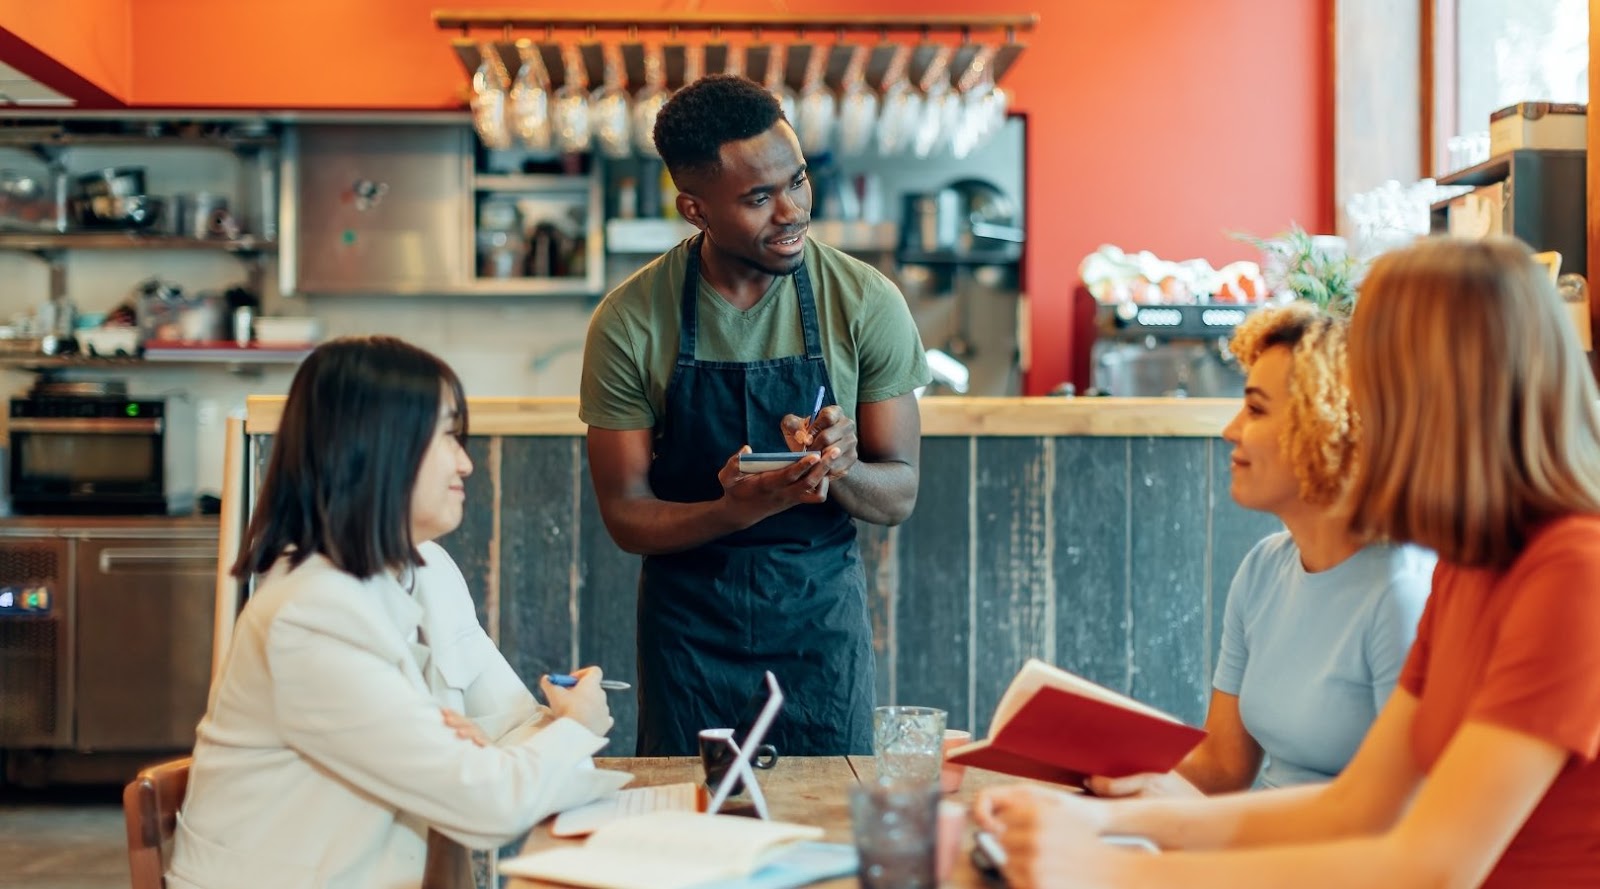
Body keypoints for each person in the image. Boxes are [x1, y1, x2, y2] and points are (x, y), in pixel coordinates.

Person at [975, 237, 1600, 888]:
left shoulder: (1573, 571)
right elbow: (1353, 803)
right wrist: (1095, 826)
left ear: (1448, 394)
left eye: (1379, 379)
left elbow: (1430, 864)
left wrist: (1115, 871)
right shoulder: (1468, 564)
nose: (1359, 414)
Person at [170, 336, 616, 889]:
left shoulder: (426, 567)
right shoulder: (309, 616)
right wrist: (575, 726)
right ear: (379, 448)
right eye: (449, 437)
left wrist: (520, 739)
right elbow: (491, 806)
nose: (466, 462)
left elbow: (510, 731)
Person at [579, 74, 930, 756]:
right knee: (690, 832)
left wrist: (843, 468)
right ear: (695, 208)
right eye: (759, 198)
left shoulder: (863, 302)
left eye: (797, 181)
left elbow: (900, 493)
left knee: (828, 839)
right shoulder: (629, 321)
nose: (792, 210)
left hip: (819, 627)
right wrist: (731, 509)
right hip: (688, 634)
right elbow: (625, 514)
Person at [1088, 303, 1434, 798]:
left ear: (1325, 427)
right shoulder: (1264, 567)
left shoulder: (1401, 594)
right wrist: (1091, 766)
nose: (1230, 430)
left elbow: (1398, 817)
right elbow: (1224, 767)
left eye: (1254, 408)